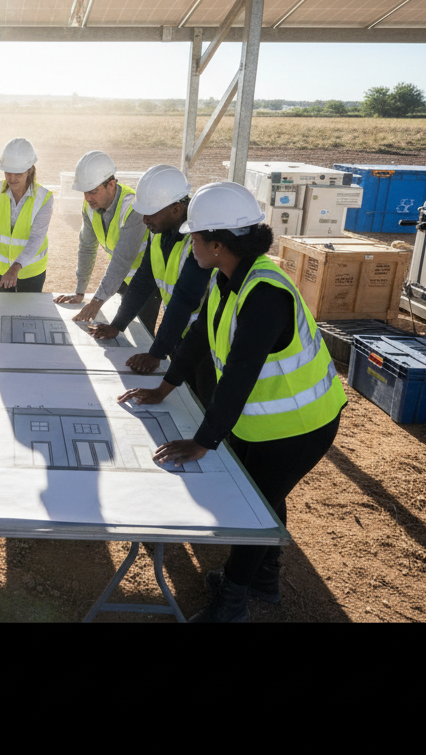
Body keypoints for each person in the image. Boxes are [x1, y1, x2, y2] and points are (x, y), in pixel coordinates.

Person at [118, 181, 346, 623]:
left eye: (195, 238)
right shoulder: (229, 278)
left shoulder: (264, 294)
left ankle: (234, 602)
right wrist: (166, 387)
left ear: (218, 244)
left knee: (254, 509)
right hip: (266, 423)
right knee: (265, 497)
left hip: (300, 426)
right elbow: (201, 334)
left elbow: (239, 377)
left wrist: (203, 440)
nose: (190, 244)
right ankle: (264, 578)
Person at [90, 164, 215, 403]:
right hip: (181, 334)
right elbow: (142, 281)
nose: (144, 219)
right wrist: (118, 324)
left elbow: (184, 300)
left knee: (204, 400)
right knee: (184, 398)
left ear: (177, 209)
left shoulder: (199, 242)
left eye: (151, 213)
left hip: (208, 342)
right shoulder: (159, 232)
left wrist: (156, 353)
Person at [53, 150, 156, 334]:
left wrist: (97, 301)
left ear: (111, 185)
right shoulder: (90, 206)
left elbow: (121, 260)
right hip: (121, 279)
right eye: (85, 192)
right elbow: (87, 248)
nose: (87, 198)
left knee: (141, 338)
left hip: (147, 282)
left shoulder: (133, 209)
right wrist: (80, 291)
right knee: (120, 336)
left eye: (93, 192)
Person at [0, 138, 53, 298]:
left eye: (18, 174)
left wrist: (15, 268)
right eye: (8, 173)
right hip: (0, 270)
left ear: (30, 171)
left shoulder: (44, 198)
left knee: (28, 317)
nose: (12, 179)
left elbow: (36, 239)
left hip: (31, 272)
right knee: (3, 316)